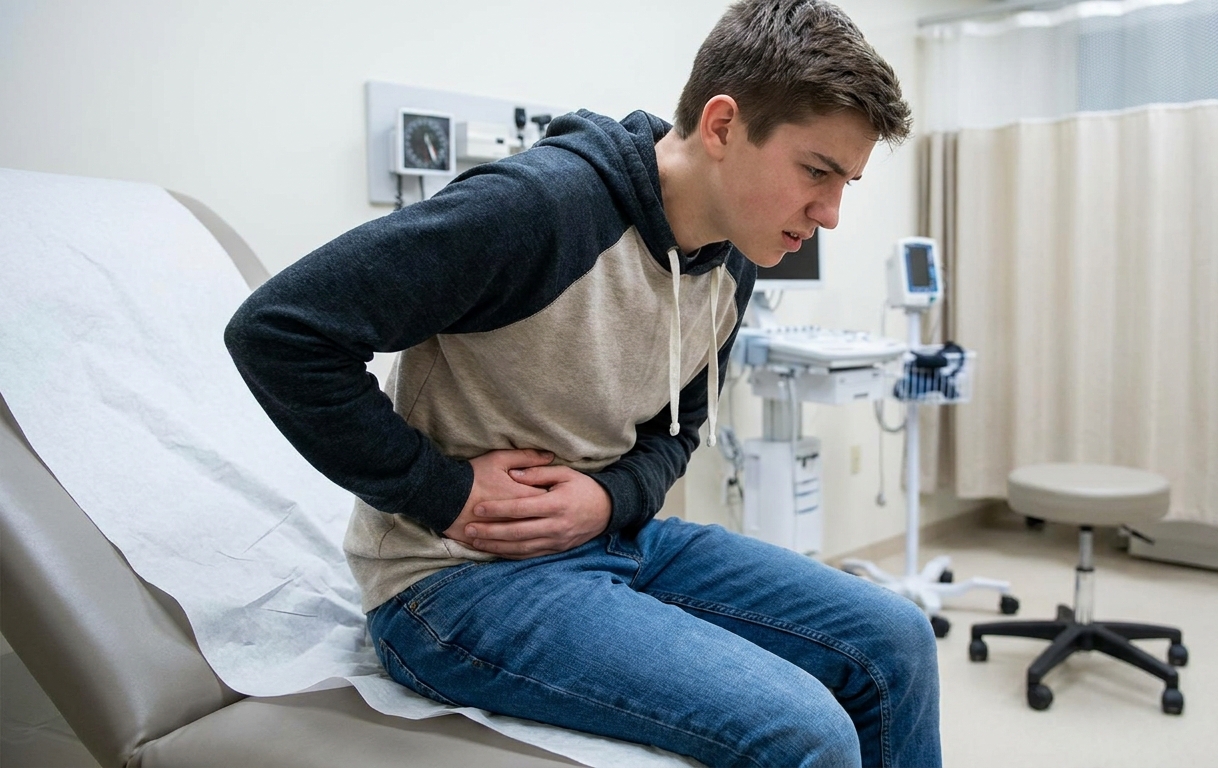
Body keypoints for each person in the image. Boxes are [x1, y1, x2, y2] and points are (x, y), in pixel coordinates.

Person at [225, 1, 938, 765]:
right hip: (454, 584)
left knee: (898, 639)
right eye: (817, 172)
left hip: (614, 540)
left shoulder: (735, 254)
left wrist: (609, 498)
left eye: (847, 184)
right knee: (807, 733)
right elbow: (280, 329)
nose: (828, 214)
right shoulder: (538, 211)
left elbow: (680, 428)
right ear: (724, 126)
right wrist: (441, 490)